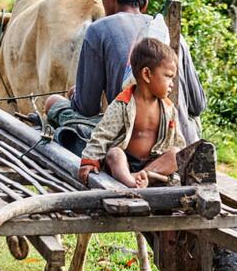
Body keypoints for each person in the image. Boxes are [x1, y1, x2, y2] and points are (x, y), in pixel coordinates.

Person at [44, 0, 206, 148]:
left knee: (53, 102)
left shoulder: (99, 30)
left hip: (133, 145)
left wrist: (74, 95)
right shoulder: (169, 31)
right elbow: (198, 105)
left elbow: (87, 108)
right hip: (184, 142)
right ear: (144, 3)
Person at [77, 37, 186, 187]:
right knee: (115, 154)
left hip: (154, 163)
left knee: (176, 154)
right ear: (147, 74)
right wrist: (90, 160)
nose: (172, 84)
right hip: (126, 161)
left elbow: (177, 140)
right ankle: (131, 182)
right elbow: (103, 134)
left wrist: (182, 160)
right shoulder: (123, 103)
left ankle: (143, 176)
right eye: (168, 76)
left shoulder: (168, 108)